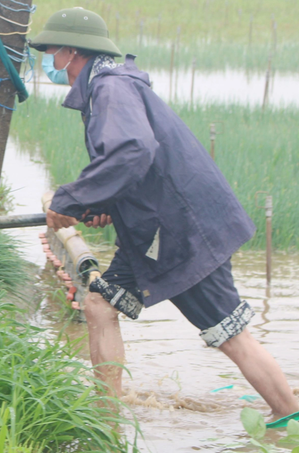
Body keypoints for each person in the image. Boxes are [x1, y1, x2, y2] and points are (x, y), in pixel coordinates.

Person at [29, 7, 299, 421]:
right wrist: (101, 203)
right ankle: (107, 413)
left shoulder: (109, 89)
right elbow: (135, 167)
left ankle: (289, 414)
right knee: (101, 305)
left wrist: (67, 200)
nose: (50, 62)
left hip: (181, 232)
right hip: (154, 230)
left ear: (71, 51)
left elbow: (133, 150)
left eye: (52, 53)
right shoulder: (109, 84)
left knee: (230, 334)